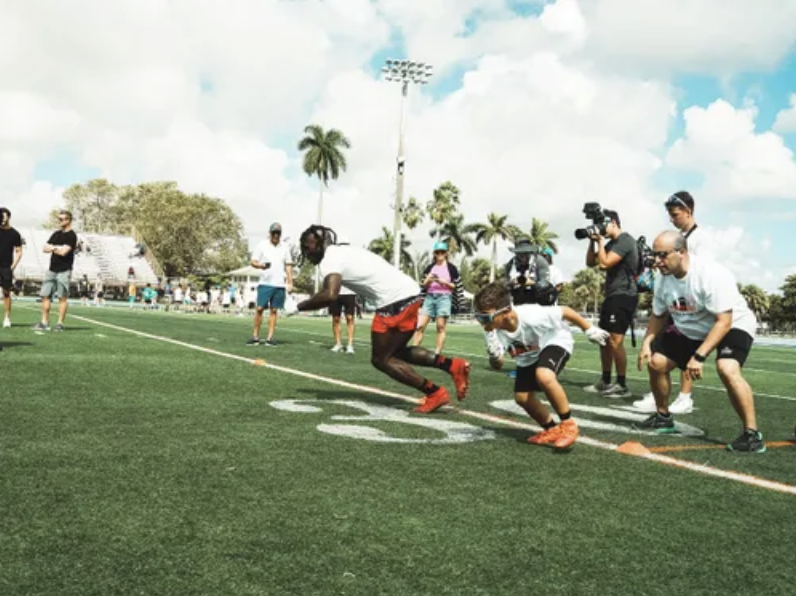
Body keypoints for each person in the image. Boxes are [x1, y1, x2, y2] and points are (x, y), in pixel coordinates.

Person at [296, 225, 470, 413]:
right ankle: (452, 365)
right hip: (410, 293)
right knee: (396, 352)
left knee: (381, 359)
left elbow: (330, 294)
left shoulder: (330, 258)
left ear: (321, 243)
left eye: (309, 246)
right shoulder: (346, 250)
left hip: (393, 301)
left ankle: (435, 393)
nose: (307, 251)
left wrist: (299, 306)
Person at [636, 231, 764, 453]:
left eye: (663, 255)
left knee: (727, 368)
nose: (657, 261)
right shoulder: (662, 280)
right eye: (655, 255)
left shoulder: (711, 274)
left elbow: (723, 321)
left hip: (733, 323)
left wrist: (699, 356)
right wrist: (647, 342)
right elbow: (658, 315)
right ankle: (663, 417)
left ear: (682, 252)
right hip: (692, 326)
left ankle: (752, 435)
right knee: (656, 363)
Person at [474, 281, 609, 449]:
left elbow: (566, 312)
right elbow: (498, 365)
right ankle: (551, 429)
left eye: (485, 317)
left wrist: (589, 329)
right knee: (522, 398)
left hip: (554, 340)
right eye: (478, 317)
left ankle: (568, 425)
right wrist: (494, 357)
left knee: (544, 375)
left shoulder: (532, 315)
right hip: (529, 354)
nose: (481, 322)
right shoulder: (491, 331)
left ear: (506, 311)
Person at [634, 191, 706, 415]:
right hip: (675, 298)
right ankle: (659, 396)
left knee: (688, 344)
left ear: (688, 211)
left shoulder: (701, 238)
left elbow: (701, 270)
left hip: (693, 303)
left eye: (675, 214)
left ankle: (685, 396)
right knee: (659, 352)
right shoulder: (675, 238)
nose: (672, 219)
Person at [583, 209, 639, 398]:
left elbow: (605, 264)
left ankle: (622, 384)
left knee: (615, 342)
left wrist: (600, 241)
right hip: (612, 295)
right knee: (604, 340)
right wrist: (593, 241)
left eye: (602, 223)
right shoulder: (612, 243)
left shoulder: (625, 241)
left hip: (624, 295)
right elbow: (591, 262)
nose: (601, 227)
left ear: (613, 222)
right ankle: (605, 381)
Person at [413, 241, 464, 355]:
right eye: (438, 252)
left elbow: (456, 286)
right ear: (434, 253)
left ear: (446, 253)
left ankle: (437, 353)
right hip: (430, 297)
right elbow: (423, 285)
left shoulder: (452, 268)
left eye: (442, 252)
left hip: (444, 298)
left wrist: (444, 282)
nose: (440, 254)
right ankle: (414, 349)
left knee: (440, 326)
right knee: (420, 325)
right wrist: (429, 280)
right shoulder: (430, 268)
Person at [247, 223, 294, 346]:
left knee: (274, 310)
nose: (276, 235)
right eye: (274, 232)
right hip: (265, 283)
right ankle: (255, 336)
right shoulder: (262, 245)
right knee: (259, 309)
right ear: (270, 233)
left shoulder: (285, 247)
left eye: (278, 233)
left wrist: (290, 282)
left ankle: (269, 338)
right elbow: (253, 261)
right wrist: (261, 265)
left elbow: (288, 265)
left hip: (279, 285)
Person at [35, 210, 78, 332]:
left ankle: (60, 323)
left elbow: (64, 252)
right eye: (59, 219)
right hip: (52, 269)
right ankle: (44, 322)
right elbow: (44, 248)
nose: (60, 221)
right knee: (45, 295)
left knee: (62, 298)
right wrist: (56, 248)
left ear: (68, 220)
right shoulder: (56, 234)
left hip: (64, 270)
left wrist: (52, 248)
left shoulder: (72, 236)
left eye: (62, 219)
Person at [504, 236, 555, 306]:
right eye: (520, 253)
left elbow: (545, 284)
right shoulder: (510, 265)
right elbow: (505, 284)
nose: (523, 256)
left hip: (537, 302)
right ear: (516, 253)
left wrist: (530, 282)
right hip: (518, 302)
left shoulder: (540, 261)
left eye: (525, 253)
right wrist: (511, 282)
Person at [0, 208, 23, 328]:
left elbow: (19, 251)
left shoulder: (15, 234)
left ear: (8, 217)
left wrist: (12, 267)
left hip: (5, 267)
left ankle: (7, 318)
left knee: (6, 293)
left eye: (4, 217)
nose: (2, 220)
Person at [329, 285, 357, 354]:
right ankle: (338, 344)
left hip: (349, 293)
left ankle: (349, 345)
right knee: (336, 318)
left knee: (349, 317)